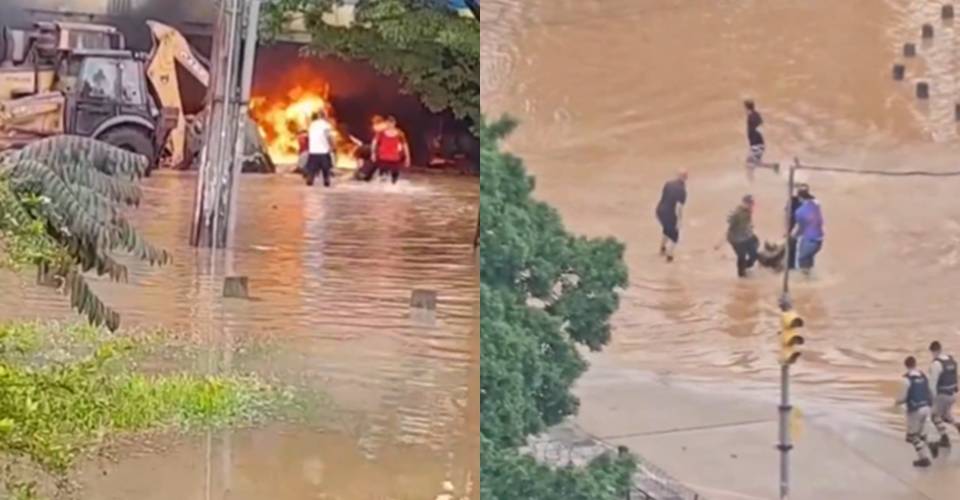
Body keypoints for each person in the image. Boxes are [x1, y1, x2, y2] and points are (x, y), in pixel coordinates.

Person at [895, 356, 939, 467]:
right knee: (920, 435)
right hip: (926, 407)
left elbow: (902, 397)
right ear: (915, 364)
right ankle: (930, 444)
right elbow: (930, 391)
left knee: (911, 437)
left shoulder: (906, 379)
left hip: (915, 411)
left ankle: (924, 459)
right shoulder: (924, 376)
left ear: (906, 366)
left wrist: (897, 402)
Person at [718, 195, 759, 278]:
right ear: (744, 203)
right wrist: (720, 242)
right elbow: (729, 227)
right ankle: (742, 275)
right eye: (750, 204)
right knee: (741, 256)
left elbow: (748, 224)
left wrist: (751, 230)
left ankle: (746, 266)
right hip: (736, 239)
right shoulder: (736, 214)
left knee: (754, 254)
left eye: (752, 204)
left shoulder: (748, 211)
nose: (751, 206)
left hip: (746, 236)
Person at [928, 341, 960, 448]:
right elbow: (956, 376)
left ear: (933, 351)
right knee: (946, 416)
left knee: (934, 416)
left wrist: (931, 399)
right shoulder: (951, 360)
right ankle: (958, 425)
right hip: (952, 394)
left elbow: (932, 384)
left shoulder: (936, 364)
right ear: (941, 348)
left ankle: (944, 439)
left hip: (942, 395)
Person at [654, 170, 688, 262]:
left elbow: (664, 197)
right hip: (669, 214)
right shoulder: (682, 191)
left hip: (659, 211)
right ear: (685, 178)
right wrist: (679, 222)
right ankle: (670, 256)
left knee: (667, 229)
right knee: (675, 236)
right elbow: (679, 208)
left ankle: (662, 248)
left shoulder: (668, 184)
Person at [791, 188, 824, 275]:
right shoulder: (816, 204)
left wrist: (793, 236)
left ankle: (805, 280)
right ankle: (810, 277)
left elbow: (801, 229)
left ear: (800, 198)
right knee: (809, 259)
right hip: (819, 240)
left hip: (809, 239)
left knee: (802, 259)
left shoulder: (799, 212)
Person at [371, 115, 411, 184]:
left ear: (394, 123)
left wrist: (408, 158)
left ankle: (392, 189)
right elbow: (374, 142)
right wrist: (373, 153)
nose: (390, 125)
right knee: (382, 177)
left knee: (394, 178)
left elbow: (405, 146)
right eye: (388, 123)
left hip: (394, 159)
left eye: (391, 123)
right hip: (383, 158)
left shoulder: (400, 134)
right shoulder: (381, 133)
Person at [305, 110, 337, 187]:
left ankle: (310, 179)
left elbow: (309, 136)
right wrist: (333, 146)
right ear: (324, 116)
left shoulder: (312, 125)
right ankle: (326, 180)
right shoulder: (326, 125)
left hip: (313, 150)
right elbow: (329, 137)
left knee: (312, 168)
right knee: (326, 167)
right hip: (323, 151)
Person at [786, 184, 809, 269]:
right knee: (791, 247)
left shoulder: (808, 202)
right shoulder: (793, 201)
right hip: (793, 225)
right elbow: (788, 214)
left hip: (802, 227)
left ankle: (803, 267)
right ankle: (790, 266)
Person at [744, 100, 766, 181]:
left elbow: (758, 126)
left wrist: (754, 144)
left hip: (756, 144)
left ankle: (752, 185)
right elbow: (761, 125)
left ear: (746, 108)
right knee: (753, 164)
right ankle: (772, 167)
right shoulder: (756, 114)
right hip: (758, 144)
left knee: (749, 165)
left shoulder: (752, 116)